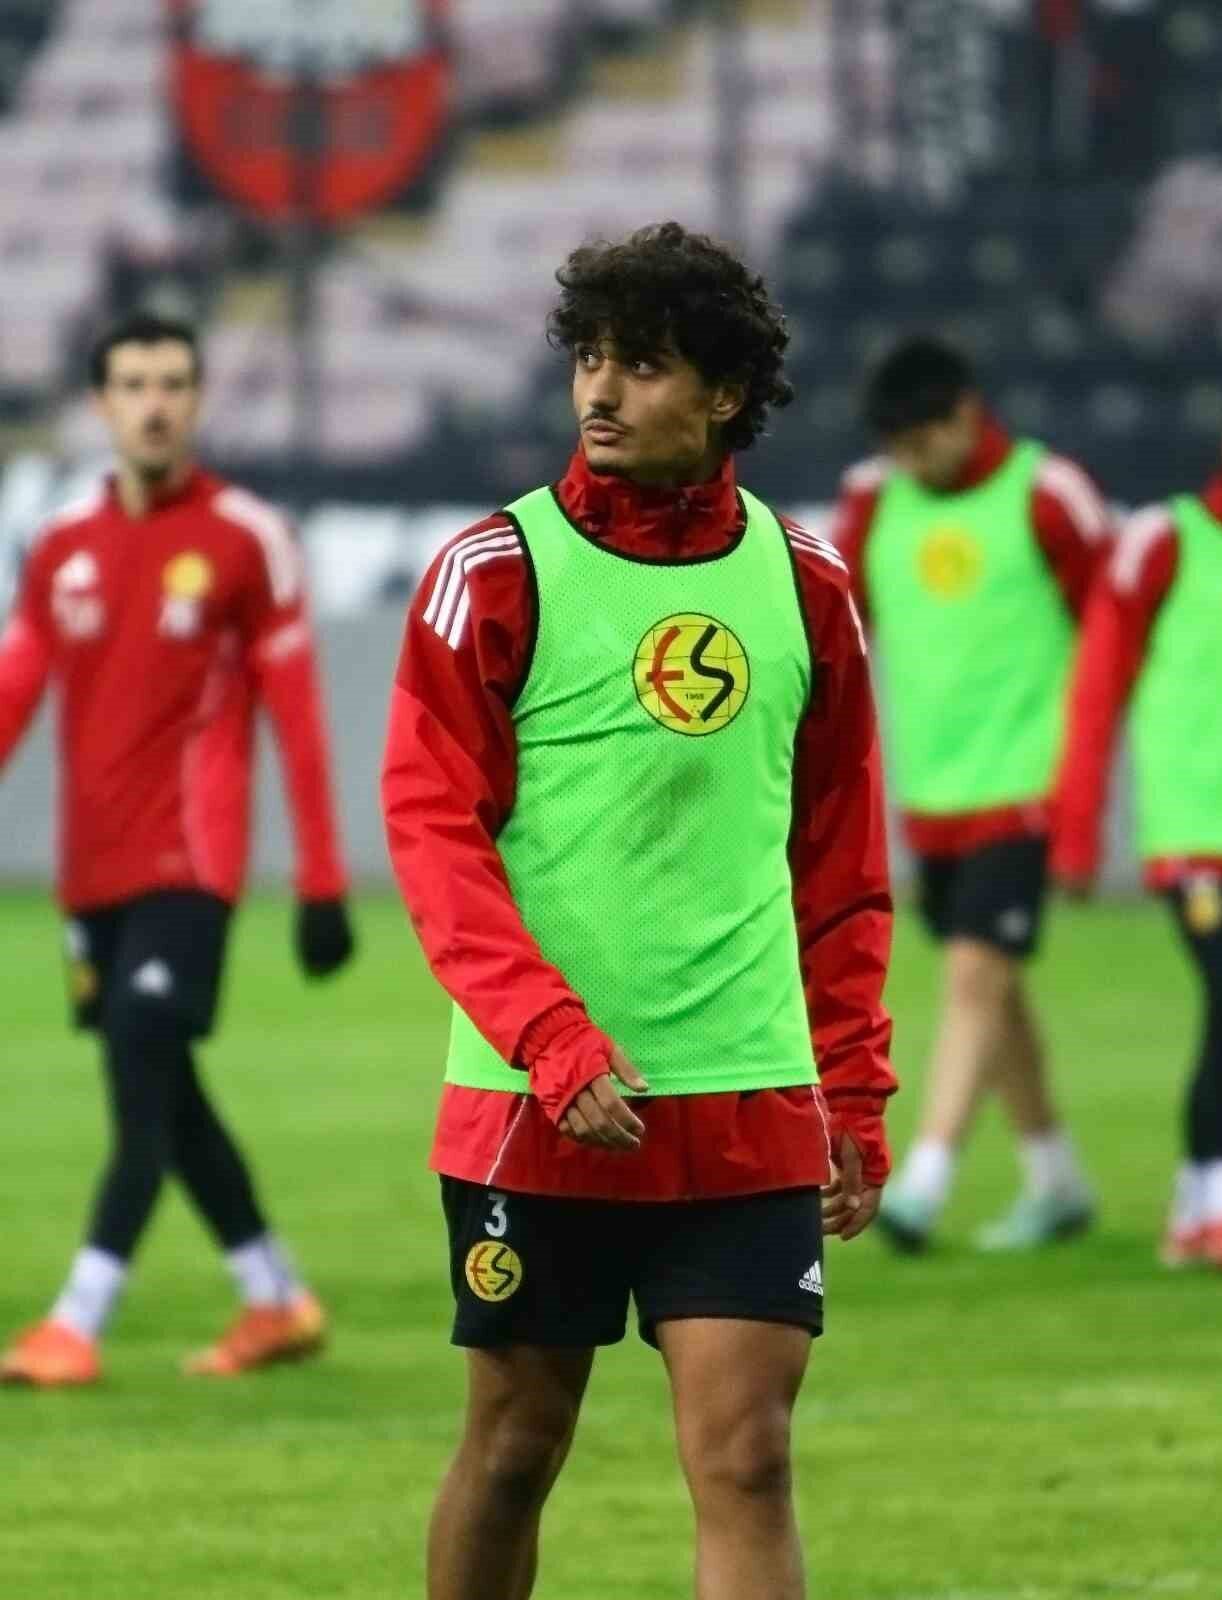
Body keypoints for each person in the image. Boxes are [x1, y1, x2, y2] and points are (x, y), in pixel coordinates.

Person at [382, 221, 895, 1600]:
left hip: (746, 1095)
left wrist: (852, 1081)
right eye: (589, 359)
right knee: (513, 1449)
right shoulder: (496, 571)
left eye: (643, 366)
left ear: (725, 395)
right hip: (537, 1102)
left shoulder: (807, 584)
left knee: (748, 1459)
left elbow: (839, 862)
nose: (600, 392)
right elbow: (433, 833)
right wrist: (548, 1034)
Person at [0, 312, 355, 1386]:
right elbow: (15, 688)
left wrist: (322, 881)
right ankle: (275, 1297)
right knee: (166, 1090)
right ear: (100, 404)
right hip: (90, 876)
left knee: (141, 1067)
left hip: (190, 867)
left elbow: (297, 718)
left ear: (196, 401)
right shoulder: (62, 545)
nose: (153, 404)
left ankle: (77, 1319)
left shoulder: (247, 538)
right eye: (133, 384)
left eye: (171, 384)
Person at [832, 336, 1108, 1252]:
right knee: (995, 992)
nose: (909, 464)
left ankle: (923, 1181)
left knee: (972, 978)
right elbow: (839, 634)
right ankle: (1057, 1178)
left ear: (965, 414)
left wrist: (1084, 799)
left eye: (921, 444)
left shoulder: (1047, 496)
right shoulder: (874, 503)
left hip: (1026, 786)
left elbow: (1111, 639)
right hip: (931, 794)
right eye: (896, 449)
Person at [1055, 380, 1222, 1271]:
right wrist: (1077, 831)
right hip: (1199, 840)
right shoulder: (1165, 541)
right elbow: (1097, 687)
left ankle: (1192, 1203)